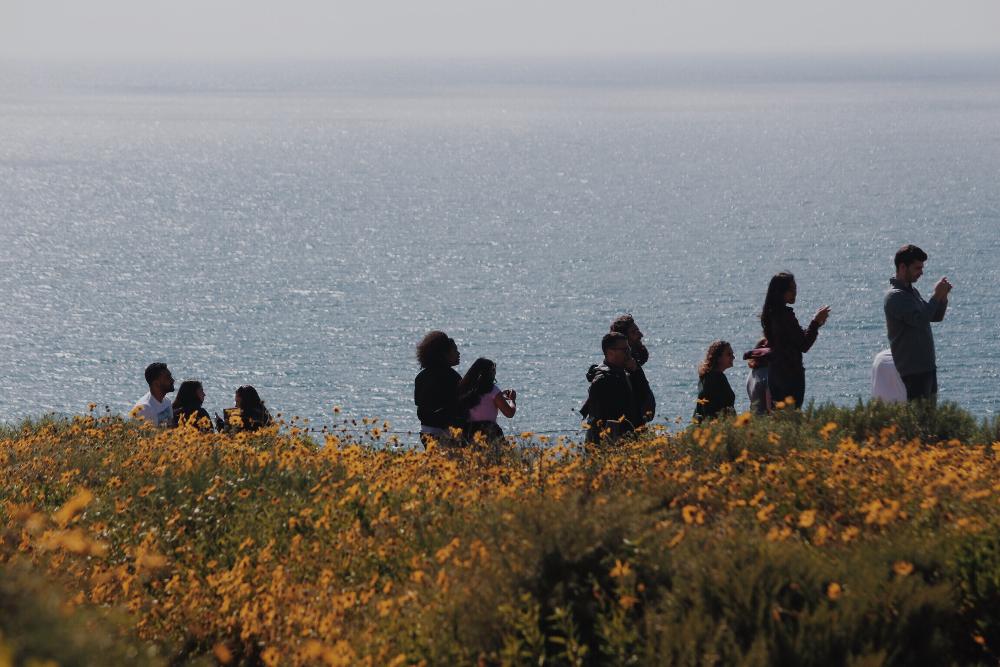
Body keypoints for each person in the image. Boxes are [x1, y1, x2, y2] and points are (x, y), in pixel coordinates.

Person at [884, 244, 951, 402]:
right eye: (917, 268)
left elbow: (934, 317)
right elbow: (921, 320)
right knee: (919, 421)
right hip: (913, 373)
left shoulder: (912, 292)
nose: (921, 272)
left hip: (927, 369)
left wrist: (943, 298)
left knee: (930, 421)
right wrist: (936, 296)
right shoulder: (895, 297)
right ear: (902, 267)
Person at [760, 272, 831, 408]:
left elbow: (793, 339)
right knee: (791, 416)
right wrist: (815, 322)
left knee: (779, 416)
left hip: (775, 373)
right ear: (781, 292)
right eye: (791, 289)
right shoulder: (784, 315)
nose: (795, 293)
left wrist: (816, 325)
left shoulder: (771, 314)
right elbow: (804, 344)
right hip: (790, 376)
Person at [581, 332, 651, 443]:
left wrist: (637, 372)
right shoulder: (603, 380)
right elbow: (607, 418)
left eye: (628, 349)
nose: (629, 353)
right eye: (624, 350)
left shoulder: (627, 373)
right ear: (610, 352)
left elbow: (648, 407)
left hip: (629, 439)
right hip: (611, 444)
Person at [414, 331, 464, 447]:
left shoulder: (421, 377)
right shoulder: (452, 377)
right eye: (455, 350)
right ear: (444, 354)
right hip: (446, 433)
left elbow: (419, 403)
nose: (458, 353)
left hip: (426, 432)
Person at [458, 357, 517, 444]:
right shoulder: (493, 390)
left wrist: (500, 396)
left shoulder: (465, 388)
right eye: (494, 370)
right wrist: (512, 400)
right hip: (489, 432)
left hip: (469, 432)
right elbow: (509, 413)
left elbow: (482, 400)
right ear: (490, 372)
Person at [609, 314, 655, 421]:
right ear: (623, 341)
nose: (641, 335)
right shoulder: (619, 372)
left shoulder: (633, 367)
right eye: (634, 332)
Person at [694, 341, 736, 422]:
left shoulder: (708, 376)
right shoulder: (716, 378)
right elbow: (713, 410)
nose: (733, 357)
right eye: (729, 354)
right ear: (718, 358)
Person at [132, 362, 175, 427]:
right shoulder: (144, 409)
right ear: (156, 383)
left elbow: (170, 428)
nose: (172, 380)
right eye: (167, 377)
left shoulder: (167, 402)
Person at [744, 338, 772, 415]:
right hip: (765, 423)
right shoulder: (768, 376)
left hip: (754, 420)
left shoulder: (752, 373)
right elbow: (770, 410)